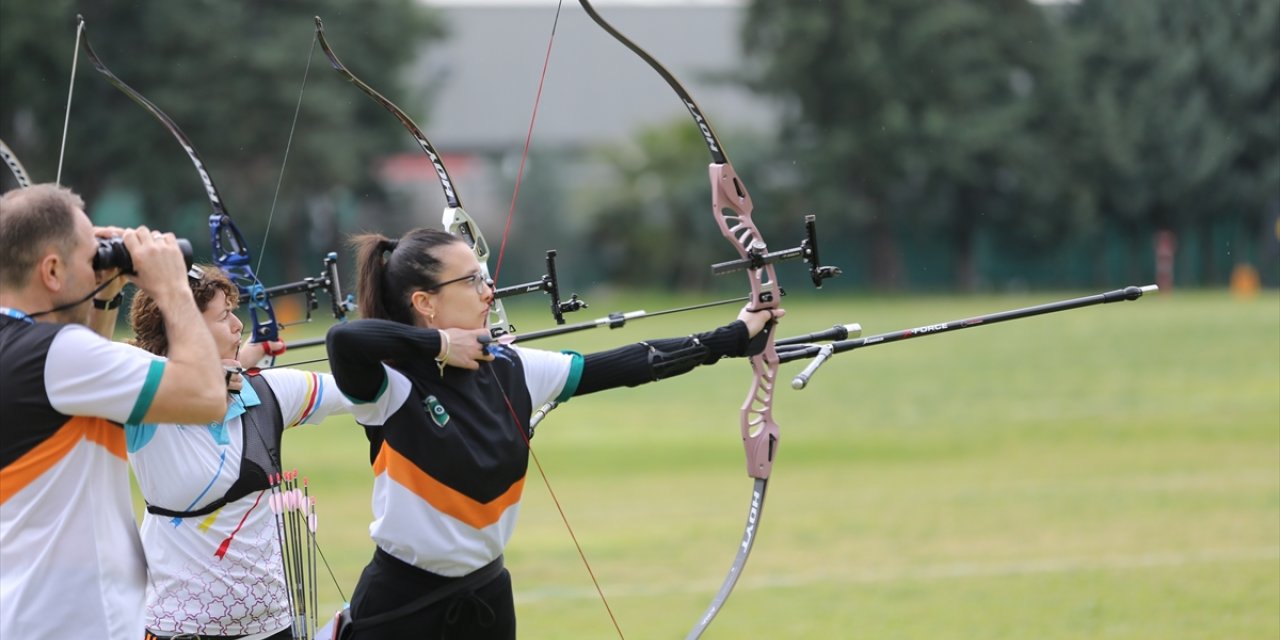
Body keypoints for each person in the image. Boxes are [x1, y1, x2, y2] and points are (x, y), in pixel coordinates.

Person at [324, 228, 782, 639]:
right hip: (402, 602)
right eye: (471, 282)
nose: (488, 292)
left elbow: (628, 364)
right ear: (425, 303)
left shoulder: (513, 368)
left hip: (485, 594)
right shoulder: (390, 386)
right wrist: (442, 344)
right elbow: (344, 341)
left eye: (485, 277)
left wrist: (734, 336)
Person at [0, 183, 225, 639]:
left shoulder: (29, 354)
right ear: (51, 271)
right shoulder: (59, 356)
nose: (102, 262)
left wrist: (103, 296)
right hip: (73, 621)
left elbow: (86, 381)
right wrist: (172, 289)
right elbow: (206, 395)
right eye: (92, 257)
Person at [125, 265, 356, 640]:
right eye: (223, 316)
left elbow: (361, 389)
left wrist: (436, 344)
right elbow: (99, 356)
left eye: (235, 312)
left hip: (273, 626)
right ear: (186, 331)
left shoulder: (269, 391)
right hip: (180, 628)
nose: (237, 326)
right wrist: (196, 375)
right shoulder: (145, 409)